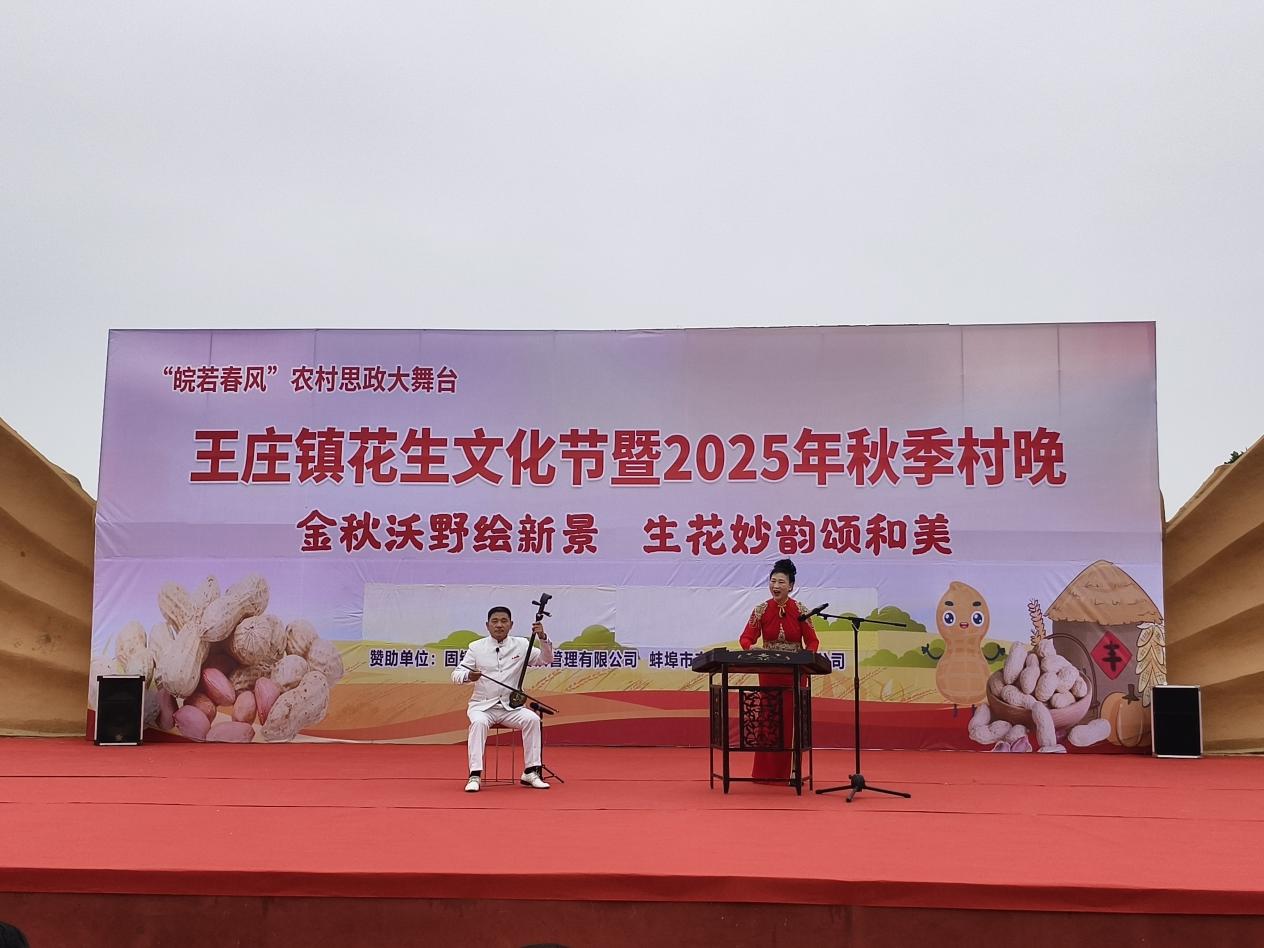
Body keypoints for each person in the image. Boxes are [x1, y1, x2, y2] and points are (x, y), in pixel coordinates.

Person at [452, 606, 555, 792]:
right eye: (495, 621)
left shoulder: (521, 645)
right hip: (483, 706)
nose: (499, 625)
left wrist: (542, 637)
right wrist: (469, 675)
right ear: (487, 625)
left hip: (511, 707)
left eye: (504, 621)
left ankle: (531, 772)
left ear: (511, 624)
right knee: (478, 723)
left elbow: (545, 659)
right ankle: (475, 775)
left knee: (532, 719)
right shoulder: (476, 647)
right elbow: (456, 674)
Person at [739, 557, 820, 782]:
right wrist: (751, 648)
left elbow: (813, 641)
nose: (776, 586)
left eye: (781, 582)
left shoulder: (801, 610)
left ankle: (793, 772)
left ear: (791, 586)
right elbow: (745, 638)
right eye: (773, 581)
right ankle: (766, 773)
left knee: (792, 721)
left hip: (795, 673)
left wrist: (807, 658)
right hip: (769, 672)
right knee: (769, 720)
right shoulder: (761, 610)